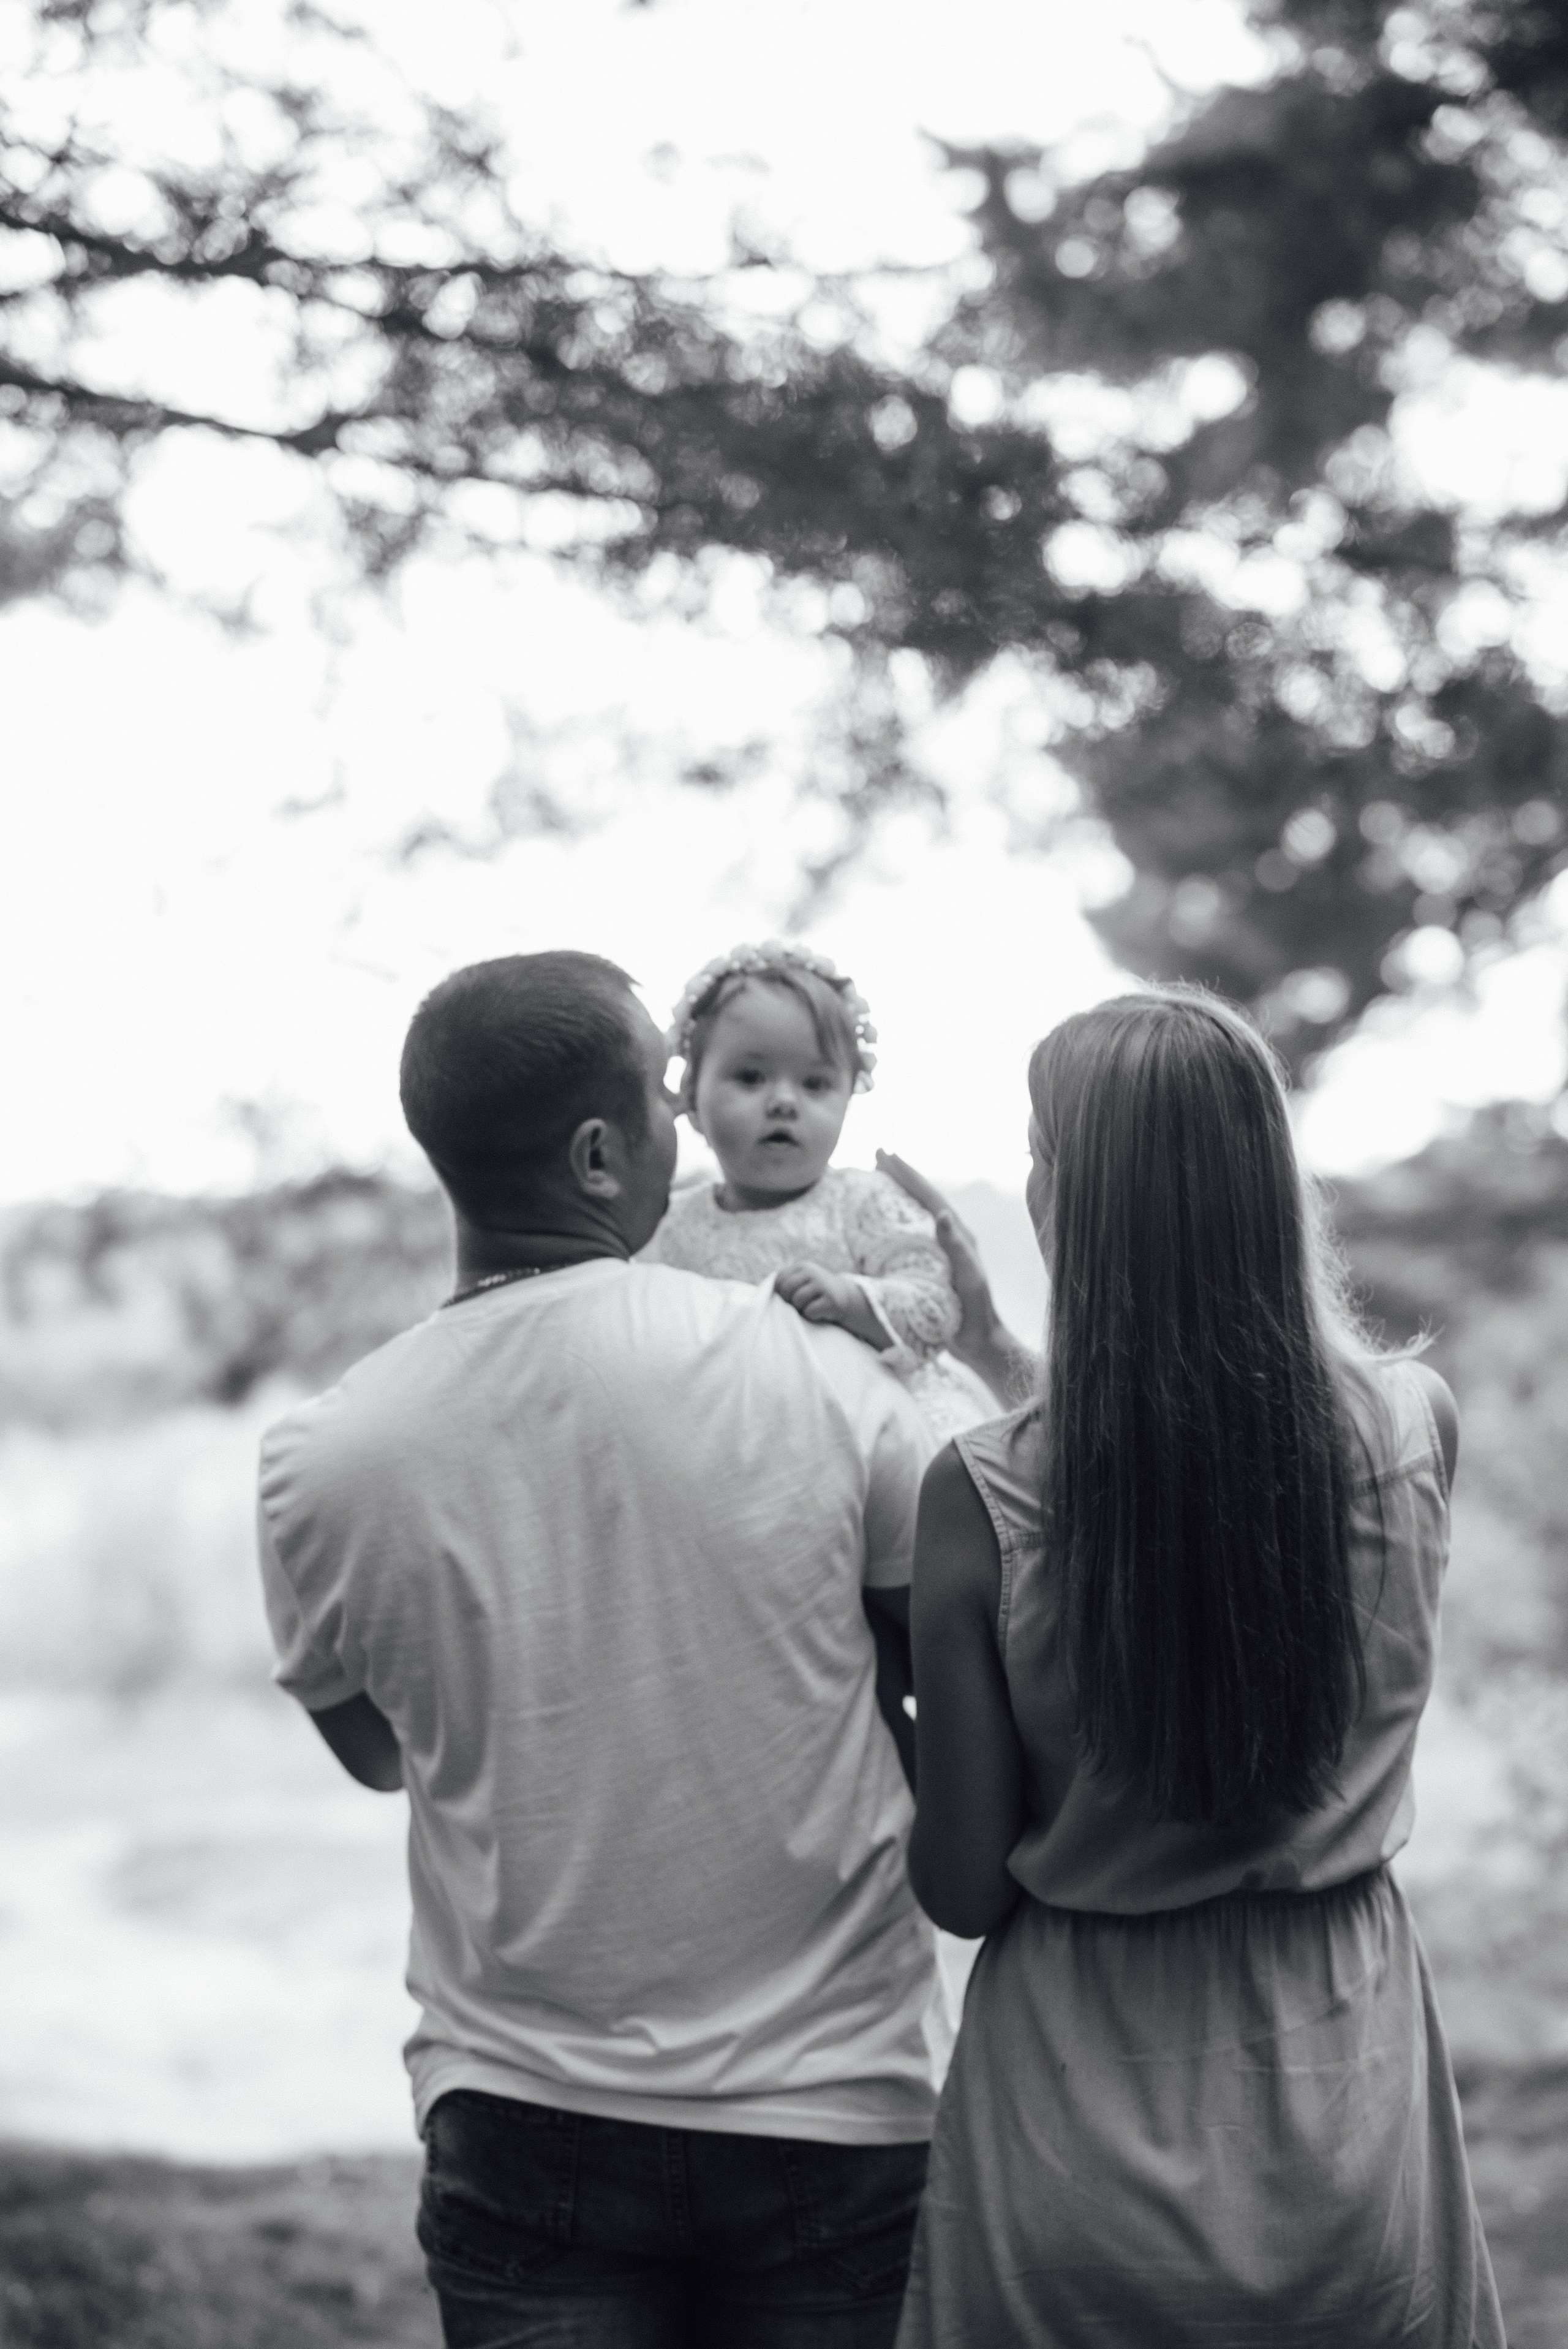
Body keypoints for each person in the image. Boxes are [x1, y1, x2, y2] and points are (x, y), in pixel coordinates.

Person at [255, 950, 943, 2349]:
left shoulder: (323, 1455)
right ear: (594, 1150)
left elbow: (382, 1752)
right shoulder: (818, 1369)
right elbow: (938, 1658)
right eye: (661, 1096)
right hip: (832, 2100)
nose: (687, 1126)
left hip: (521, 2112)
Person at [893, 989, 1506, 2348]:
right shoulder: (1413, 1428)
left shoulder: (974, 1498)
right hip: (1341, 2112)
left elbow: (961, 1886)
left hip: (1069, 2126)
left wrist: (896, 1701)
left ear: (1076, 1209)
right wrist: (1006, 1362)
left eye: (1042, 1157)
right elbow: (1207, 1488)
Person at [646, 940, 993, 1442]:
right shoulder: (670, 1224)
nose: (784, 1101)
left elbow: (935, 1308)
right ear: (692, 1099)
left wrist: (852, 1300)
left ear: (849, 1097)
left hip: (884, 1436)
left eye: (815, 1084)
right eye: (751, 1077)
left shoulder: (863, 1202)